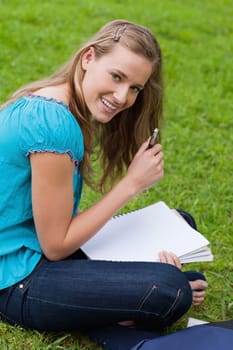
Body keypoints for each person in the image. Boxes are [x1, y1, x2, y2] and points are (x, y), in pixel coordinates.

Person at [0, 19, 207, 348]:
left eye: (136, 88)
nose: (123, 96)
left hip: (38, 249)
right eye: (117, 77)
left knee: (179, 223)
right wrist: (131, 185)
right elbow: (56, 245)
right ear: (88, 58)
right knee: (170, 289)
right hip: (17, 280)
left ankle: (122, 296)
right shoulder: (53, 125)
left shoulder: (57, 103)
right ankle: (117, 312)